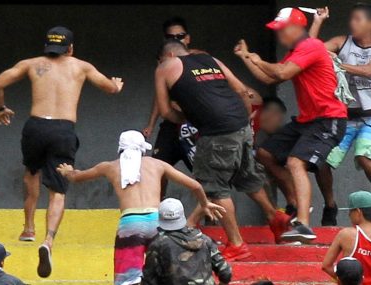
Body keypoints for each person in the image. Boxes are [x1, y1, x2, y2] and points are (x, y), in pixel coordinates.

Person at [0, 26, 124, 277]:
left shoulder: (31, 63)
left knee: (31, 173)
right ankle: (48, 240)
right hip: (63, 129)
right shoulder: (81, 67)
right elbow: (108, 88)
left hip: (36, 125)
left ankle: (28, 228)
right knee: (58, 189)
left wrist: (0, 108)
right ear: (71, 48)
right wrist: (116, 86)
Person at [155, 39, 291, 259]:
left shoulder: (165, 67)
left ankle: (236, 243)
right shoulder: (211, 59)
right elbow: (241, 89)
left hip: (216, 132)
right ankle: (274, 217)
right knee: (246, 176)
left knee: (215, 188)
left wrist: (190, 118)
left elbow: (165, 111)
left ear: (168, 56)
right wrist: (245, 117)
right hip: (241, 125)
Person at [235, 7, 347, 242]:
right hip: (307, 121)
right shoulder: (297, 50)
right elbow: (269, 77)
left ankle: (304, 224)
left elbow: (283, 73)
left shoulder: (311, 47)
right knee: (265, 153)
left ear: (297, 28)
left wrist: (257, 58)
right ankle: (296, 203)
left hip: (329, 120)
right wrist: (247, 57)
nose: (279, 35)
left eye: (282, 30)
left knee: (296, 162)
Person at [57, 130, 225, 285]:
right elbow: (195, 186)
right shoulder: (157, 164)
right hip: (157, 222)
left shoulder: (109, 167)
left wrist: (67, 172)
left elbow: (76, 177)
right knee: (164, 272)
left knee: (127, 278)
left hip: (130, 224)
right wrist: (204, 204)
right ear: (142, 149)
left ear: (120, 149)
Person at [309, 4, 371, 224]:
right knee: (322, 162)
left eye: (358, 19)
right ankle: (330, 206)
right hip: (345, 118)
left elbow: (370, 70)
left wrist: (336, 62)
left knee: (364, 155)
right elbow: (310, 50)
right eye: (352, 19)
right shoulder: (342, 41)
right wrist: (318, 22)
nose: (353, 23)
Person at [142, 17, 202, 175]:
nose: (176, 40)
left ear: (187, 38)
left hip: (195, 123)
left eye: (180, 36)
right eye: (170, 38)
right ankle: (156, 200)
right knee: (157, 169)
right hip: (171, 124)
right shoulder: (164, 62)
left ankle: (209, 200)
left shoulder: (201, 59)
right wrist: (151, 124)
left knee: (204, 174)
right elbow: (161, 96)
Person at [142, 198, 231, 285]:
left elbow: (149, 279)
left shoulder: (158, 245)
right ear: (182, 216)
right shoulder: (205, 240)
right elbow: (226, 272)